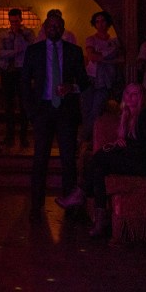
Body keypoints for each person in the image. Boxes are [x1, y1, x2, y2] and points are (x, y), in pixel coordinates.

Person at [77, 83, 146, 237]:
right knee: (99, 168)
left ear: (141, 97)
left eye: (134, 94)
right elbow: (131, 145)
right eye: (127, 93)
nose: (129, 97)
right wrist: (120, 143)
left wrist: (123, 147)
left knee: (100, 157)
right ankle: (99, 220)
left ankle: (81, 193)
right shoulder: (126, 116)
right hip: (136, 159)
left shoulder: (145, 115)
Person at [22, 13, 89, 218]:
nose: (54, 28)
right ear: (44, 27)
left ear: (63, 27)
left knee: (68, 159)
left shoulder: (74, 51)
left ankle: (70, 203)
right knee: (40, 158)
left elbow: (85, 82)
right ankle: (36, 206)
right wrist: (31, 112)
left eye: (58, 25)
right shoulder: (34, 51)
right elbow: (24, 83)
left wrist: (72, 87)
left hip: (66, 111)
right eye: (50, 25)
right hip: (42, 110)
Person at [0, 8, 36, 149]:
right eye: (12, 21)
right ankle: (9, 136)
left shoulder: (28, 34)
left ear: (21, 20)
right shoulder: (3, 34)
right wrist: (15, 52)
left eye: (16, 21)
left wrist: (19, 38)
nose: (14, 24)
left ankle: (23, 137)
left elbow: (31, 51)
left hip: (22, 71)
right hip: (7, 71)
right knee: (8, 105)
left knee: (24, 105)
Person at [81, 10, 123, 143]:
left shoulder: (114, 42)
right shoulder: (91, 39)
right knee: (86, 110)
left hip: (106, 79)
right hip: (90, 77)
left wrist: (101, 57)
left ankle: (85, 139)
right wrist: (109, 59)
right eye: (97, 21)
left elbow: (121, 59)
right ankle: (87, 139)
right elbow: (91, 57)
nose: (100, 24)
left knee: (96, 110)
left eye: (103, 21)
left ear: (108, 23)